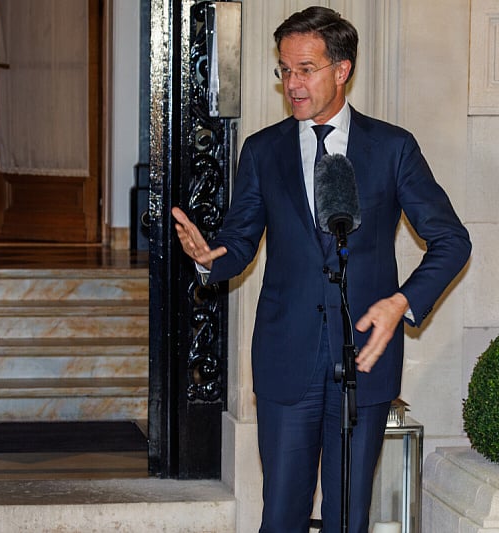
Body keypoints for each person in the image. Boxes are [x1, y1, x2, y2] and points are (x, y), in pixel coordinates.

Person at [172, 7, 471, 533]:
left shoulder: (392, 148)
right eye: (284, 70)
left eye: (305, 68)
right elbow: (240, 241)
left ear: (342, 69)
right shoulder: (262, 151)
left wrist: (401, 301)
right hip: (287, 358)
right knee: (281, 515)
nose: (293, 84)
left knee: (347, 518)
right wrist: (210, 258)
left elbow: (452, 240)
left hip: (365, 362)